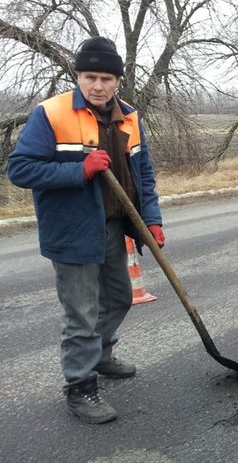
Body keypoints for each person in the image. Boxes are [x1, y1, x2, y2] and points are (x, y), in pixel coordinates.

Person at [8, 36, 165, 424]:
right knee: (80, 314)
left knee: (119, 298)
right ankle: (79, 387)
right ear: (78, 76)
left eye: (106, 78)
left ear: (117, 81)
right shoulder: (52, 114)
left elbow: (142, 174)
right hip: (72, 231)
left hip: (112, 227)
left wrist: (152, 218)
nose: (98, 86)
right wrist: (79, 170)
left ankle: (101, 355)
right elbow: (21, 169)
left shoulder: (129, 116)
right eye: (90, 76)